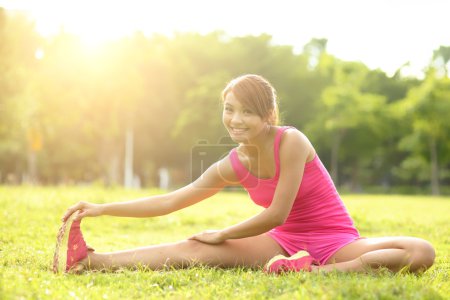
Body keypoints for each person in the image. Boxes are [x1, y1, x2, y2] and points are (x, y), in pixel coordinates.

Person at [59, 74, 435, 274]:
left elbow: (277, 213)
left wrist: (223, 233)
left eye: (247, 112)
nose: (235, 120)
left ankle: (310, 274)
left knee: (420, 252)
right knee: (196, 249)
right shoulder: (233, 164)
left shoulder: (292, 141)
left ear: (268, 115)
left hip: (336, 241)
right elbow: (172, 200)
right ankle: (94, 261)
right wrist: (103, 208)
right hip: (282, 244)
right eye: (229, 109)